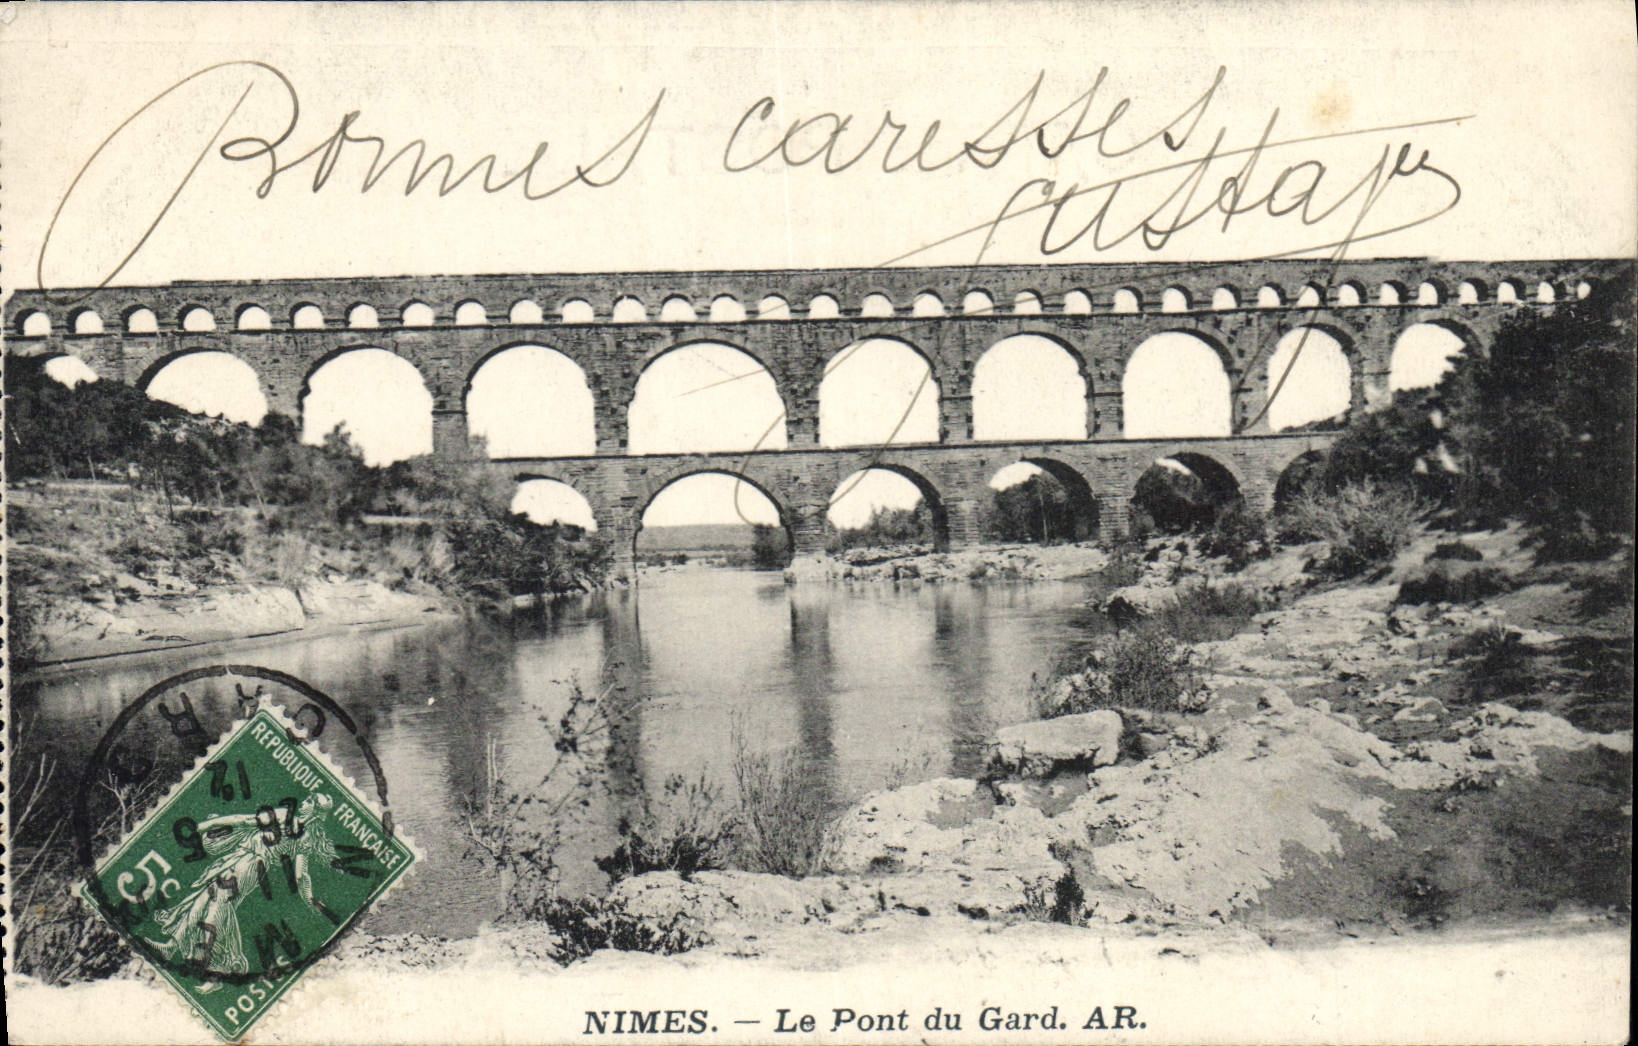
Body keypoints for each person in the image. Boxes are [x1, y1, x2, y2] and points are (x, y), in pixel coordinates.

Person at [145, 792, 339, 991]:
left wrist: (309, 899)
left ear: (314, 809)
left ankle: (212, 968)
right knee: (202, 901)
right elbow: (243, 821)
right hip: (239, 858)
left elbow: (300, 875)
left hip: (252, 866)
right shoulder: (288, 820)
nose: (304, 801)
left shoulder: (296, 830)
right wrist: (204, 826)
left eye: (310, 801)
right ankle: (172, 947)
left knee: (216, 906)